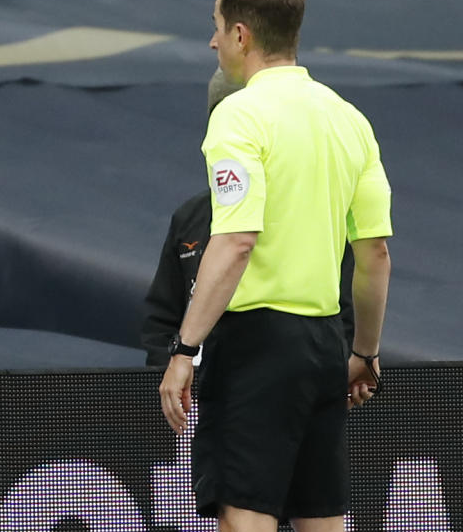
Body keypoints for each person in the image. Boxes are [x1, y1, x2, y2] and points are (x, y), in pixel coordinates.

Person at [158, 0, 392, 532]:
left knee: (245, 520)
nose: (212, 41)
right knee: (322, 522)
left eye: (216, 28)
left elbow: (236, 239)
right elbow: (375, 255)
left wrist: (185, 348)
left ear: (241, 35)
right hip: (323, 346)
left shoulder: (238, 115)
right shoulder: (349, 119)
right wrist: (363, 351)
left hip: (256, 349)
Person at [140, 69, 355, 367]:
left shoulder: (313, 217)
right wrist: (170, 370)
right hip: (197, 394)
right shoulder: (190, 217)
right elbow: (161, 317)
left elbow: (342, 314)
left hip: (275, 378)